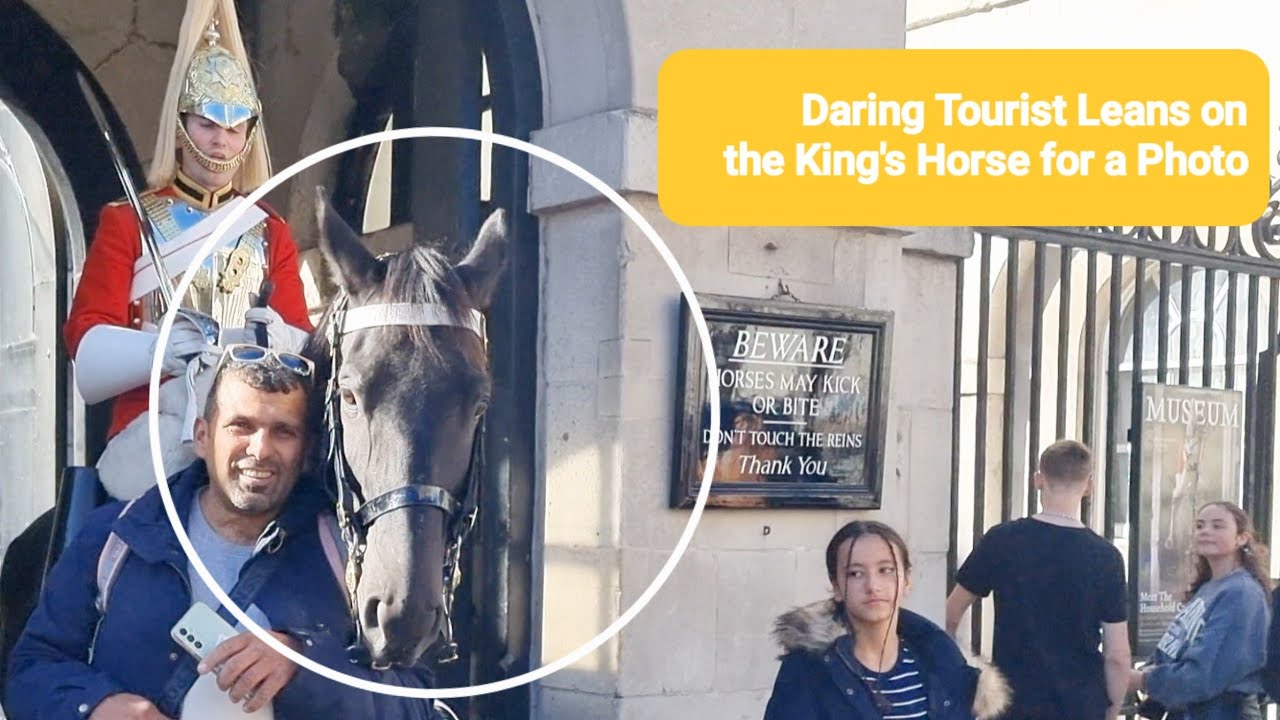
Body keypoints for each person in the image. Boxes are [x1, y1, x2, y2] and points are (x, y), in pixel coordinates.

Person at [5, 347, 444, 719]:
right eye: (241, 426)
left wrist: (303, 664)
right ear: (201, 436)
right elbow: (29, 669)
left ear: (307, 450)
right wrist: (97, 705)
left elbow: (418, 700)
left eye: (283, 432)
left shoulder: (347, 554)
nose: (260, 450)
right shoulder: (115, 537)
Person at [65, 0, 311, 500]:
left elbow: (304, 341)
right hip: (154, 428)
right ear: (182, 127)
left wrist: (277, 337)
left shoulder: (269, 231)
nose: (221, 143)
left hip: (248, 429)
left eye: (233, 128)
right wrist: (159, 351)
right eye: (208, 125)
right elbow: (87, 347)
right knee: (85, 560)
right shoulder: (128, 221)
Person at [945, 439, 1130, 720]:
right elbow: (1117, 654)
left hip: (1013, 702)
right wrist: (1113, 707)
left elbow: (950, 614)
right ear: (1090, 485)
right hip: (1081, 705)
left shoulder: (1003, 540)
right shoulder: (1106, 557)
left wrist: (961, 679)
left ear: (1037, 480)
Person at [765, 520, 1010, 719]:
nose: (873, 586)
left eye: (886, 570)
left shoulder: (942, 661)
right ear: (836, 587)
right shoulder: (809, 670)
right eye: (855, 573)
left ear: (906, 580)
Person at [1130, 501, 1271, 720]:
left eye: (1218, 526)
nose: (1206, 531)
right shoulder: (1207, 589)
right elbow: (1171, 651)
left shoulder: (1241, 593)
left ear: (1241, 538)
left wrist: (1142, 680)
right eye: (1199, 526)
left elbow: (1206, 673)